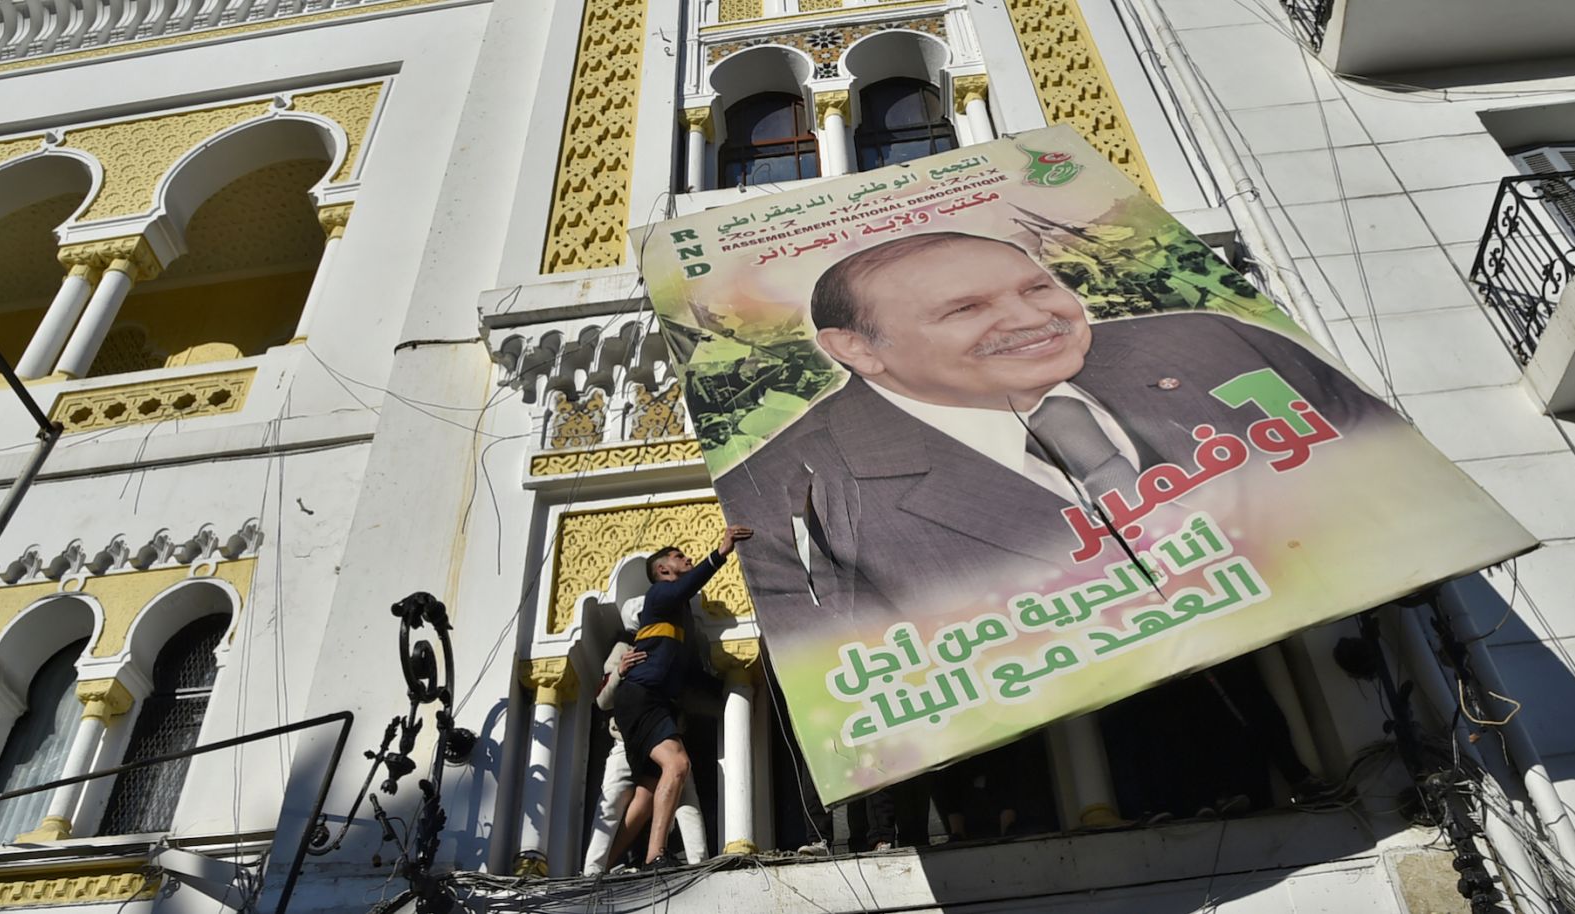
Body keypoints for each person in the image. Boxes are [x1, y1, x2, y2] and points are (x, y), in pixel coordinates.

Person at [724, 231, 1398, 640]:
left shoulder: (1208, 342)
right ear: (858, 348)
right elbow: (844, 681)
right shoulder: (785, 496)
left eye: (1037, 287)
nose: (1033, 320)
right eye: (967, 308)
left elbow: (1394, 473)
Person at [611, 525, 753, 869]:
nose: (686, 559)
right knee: (678, 764)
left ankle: (605, 864)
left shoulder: (680, 621)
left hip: (650, 700)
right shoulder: (659, 596)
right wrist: (720, 553)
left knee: (647, 790)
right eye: (678, 557)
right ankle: (655, 855)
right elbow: (688, 585)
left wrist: (732, 688)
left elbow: (688, 673)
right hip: (642, 696)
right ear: (662, 570)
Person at [584, 637, 708, 874]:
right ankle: (593, 870)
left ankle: (699, 863)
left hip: (664, 737)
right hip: (626, 740)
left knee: (680, 796)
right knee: (612, 799)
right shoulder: (624, 649)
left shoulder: (674, 652)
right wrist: (620, 671)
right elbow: (603, 701)